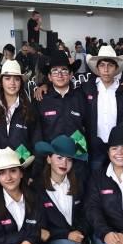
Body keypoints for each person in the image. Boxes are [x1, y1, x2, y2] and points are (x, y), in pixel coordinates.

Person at [32, 51, 88, 180]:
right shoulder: (41, 99)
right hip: (50, 162)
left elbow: (88, 128)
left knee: (77, 196)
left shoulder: (80, 97)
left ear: (71, 74)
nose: (60, 74)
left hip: (77, 162)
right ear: (50, 77)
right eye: (55, 71)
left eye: (64, 70)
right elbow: (37, 134)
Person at [0, 60, 38, 182]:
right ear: (1, 82)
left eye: (16, 79)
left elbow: (36, 143)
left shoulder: (30, 109)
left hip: (24, 173)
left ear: (21, 82)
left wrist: (33, 174)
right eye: (7, 78)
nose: (12, 83)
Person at [81, 46, 123, 172]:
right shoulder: (86, 89)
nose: (106, 69)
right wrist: (44, 85)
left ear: (116, 68)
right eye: (102, 65)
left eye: (110, 65)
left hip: (118, 147)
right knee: (95, 179)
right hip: (95, 146)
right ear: (97, 68)